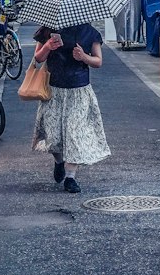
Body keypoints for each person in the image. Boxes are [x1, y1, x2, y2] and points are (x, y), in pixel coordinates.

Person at [31, 23, 110, 193]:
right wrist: (47, 47)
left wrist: (84, 57)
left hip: (79, 91)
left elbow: (98, 61)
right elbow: (37, 58)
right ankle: (59, 162)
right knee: (54, 136)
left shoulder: (90, 32)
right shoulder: (47, 29)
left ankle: (70, 177)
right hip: (53, 91)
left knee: (74, 133)